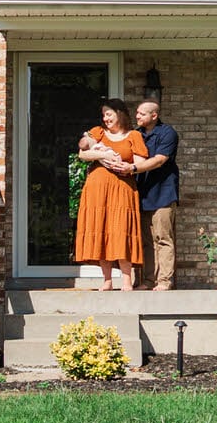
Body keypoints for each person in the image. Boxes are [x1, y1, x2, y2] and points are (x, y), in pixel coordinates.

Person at [74, 98, 148, 290]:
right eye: (104, 115)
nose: (105, 118)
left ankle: (126, 281)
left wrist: (128, 167)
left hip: (122, 188)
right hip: (97, 190)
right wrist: (103, 155)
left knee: (121, 231)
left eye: (109, 114)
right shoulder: (98, 133)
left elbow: (140, 163)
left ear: (120, 114)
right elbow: (82, 154)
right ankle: (106, 280)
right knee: (101, 229)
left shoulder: (134, 136)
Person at [112, 100, 179, 290]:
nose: (137, 116)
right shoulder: (137, 135)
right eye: (137, 113)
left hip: (163, 193)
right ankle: (149, 281)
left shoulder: (167, 133)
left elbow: (159, 160)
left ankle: (164, 281)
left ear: (154, 116)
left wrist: (132, 168)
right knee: (147, 241)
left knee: (163, 238)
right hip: (141, 194)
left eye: (141, 114)